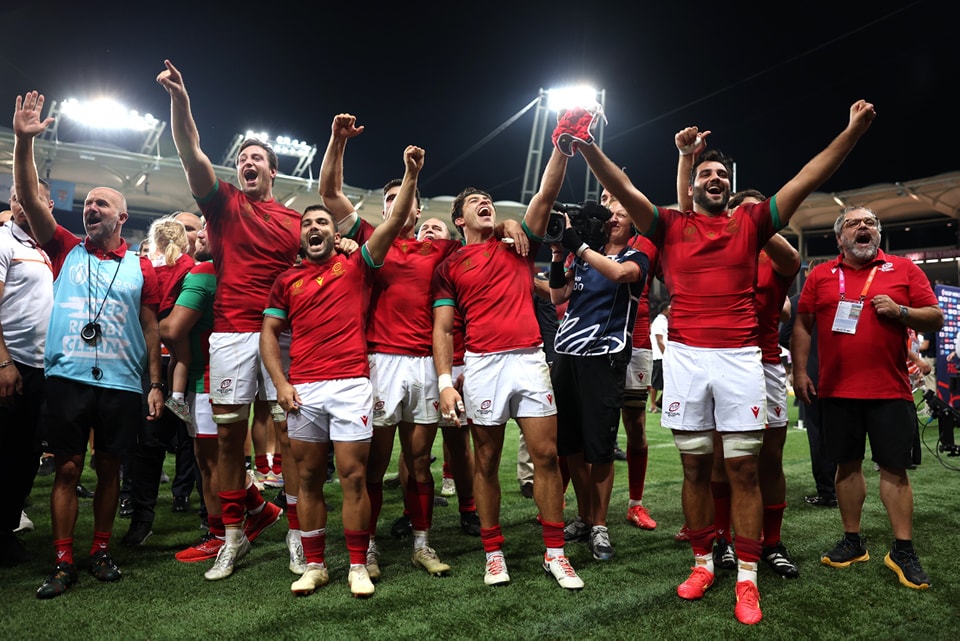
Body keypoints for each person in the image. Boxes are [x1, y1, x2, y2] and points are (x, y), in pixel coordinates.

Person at [566, 98, 876, 624]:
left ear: (729, 187)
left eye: (722, 174)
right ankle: (703, 563)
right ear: (691, 185)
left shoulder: (751, 222)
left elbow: (809, 176)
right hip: (686, 360)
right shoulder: (667, 224)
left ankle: (747, 579)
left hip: (740, 359)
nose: (716, 178)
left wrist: (852, 132)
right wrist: (586, 144)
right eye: (706, 173)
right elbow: (623, 188)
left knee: (744, 470)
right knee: (694, 468)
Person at [13, 90, 165, 599]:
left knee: (110, 467)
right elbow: (30, 198)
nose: (91, 208)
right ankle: (63, 560)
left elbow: (150, 328)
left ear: (122, 216)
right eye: (88, 203)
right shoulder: (64, 248)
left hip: (121, 382)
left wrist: (155, 384)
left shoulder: (141, 266)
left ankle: (99, 551)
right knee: (68, 467)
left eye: (102, 203)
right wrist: (24, 142)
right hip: (67, 377)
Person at [319, 114, 479, 581]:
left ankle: (422, 544)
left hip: (425, 365)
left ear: (418, 210)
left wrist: (509, 224)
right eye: (387, 201)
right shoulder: (371, 239)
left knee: (420, 463)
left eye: (402, 199)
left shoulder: (440, 250)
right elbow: (329, 192)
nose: (395, 206)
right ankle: (367, 547)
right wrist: (337, 142)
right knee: (374, 465)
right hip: (379, 363)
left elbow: (480, 239)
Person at [261, 144, 421, 598]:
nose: (314, 227)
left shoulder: (358, 264)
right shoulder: (286, 281)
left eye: (323, 223)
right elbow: (268, 334)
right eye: (308, 224)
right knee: (309, 478)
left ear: (336, 234)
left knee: (353, 477)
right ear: (300, 238)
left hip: (351, 385)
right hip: (304, 389)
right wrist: (281, 383)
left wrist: (410, 174)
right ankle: (315, 565)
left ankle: (356, 565)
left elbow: (394, 221)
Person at [432, 129, 584, 590]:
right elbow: (443, 328)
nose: (486, 203)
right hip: (482, 365)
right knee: (486, 461)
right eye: (474, 201)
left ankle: (555, 553)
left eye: (489, 200)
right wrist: (445, 381)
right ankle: (494, 553)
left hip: (528, 360)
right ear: (459, 218)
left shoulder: (518, 245)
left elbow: (545, 195)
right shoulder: (449, 266)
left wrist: (561, 146)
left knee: (546, 457)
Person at [158, 60, 288, 580]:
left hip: (281, 335)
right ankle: (233, 537)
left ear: (273, 171)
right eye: (242, 158)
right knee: (228, 442)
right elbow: (190, 150)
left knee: (291, 439)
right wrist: (181, 101)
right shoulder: (222, 204)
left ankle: (299, 537)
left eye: (257, 157)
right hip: (232, 334)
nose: (247, 162)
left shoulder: (297, 222)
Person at [792, 206, 942, 591]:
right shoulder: (820, 275)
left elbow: (935, 317)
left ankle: (903, 549)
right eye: (854, 223)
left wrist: (901, 311)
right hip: (836, 390)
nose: (864, 227)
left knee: (894, 469)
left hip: (890, 389)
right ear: (839, 238)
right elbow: (803, 324)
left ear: (878, 232)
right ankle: (853, 541)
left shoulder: (903, 269)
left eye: (870, 222)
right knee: (846, 467)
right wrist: (799, 371)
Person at [549, 191, 649, 562]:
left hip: (604, 357)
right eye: (610, 215)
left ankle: (601, 525)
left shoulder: (635, 258)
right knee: (572, 446)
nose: (614, 219)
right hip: (567, 355)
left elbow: (618, 274)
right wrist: (559, 254)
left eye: (621, 215)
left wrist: (577, 245)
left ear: (633, 224)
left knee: (601, 448)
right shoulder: (582, 257)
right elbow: (558, 296)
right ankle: (585, 516)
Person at [0, 179, 54, 567]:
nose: (23, 205)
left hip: (41, 369)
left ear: (47, 205)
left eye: (32, 198)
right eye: (18, 198)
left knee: (26, 453)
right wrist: (3, 361)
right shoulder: (3, 241)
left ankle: (5, 531)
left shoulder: (46, 249)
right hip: (10, 364)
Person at [782, 258, 837, 507]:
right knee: (843, 432)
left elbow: (783, 335)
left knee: (817, 433)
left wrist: (802, 354)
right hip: (842, 375)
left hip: (812, 373)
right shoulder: (843, 298)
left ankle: (827, 491)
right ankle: (843, 487)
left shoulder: (799, 300)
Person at [648, 303, 669, 414]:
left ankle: (659, 402)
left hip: (663, 355)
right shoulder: (659, 321)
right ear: (665, 310)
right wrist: (666, 355)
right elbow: (659, 340)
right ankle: (652, 405)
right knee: (656, 382)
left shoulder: (665, 321)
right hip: (659, 356)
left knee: (668, 381)